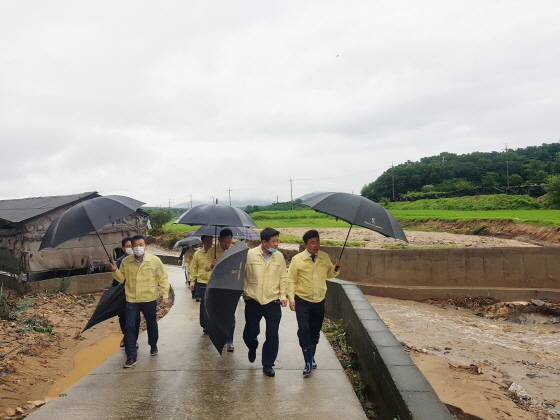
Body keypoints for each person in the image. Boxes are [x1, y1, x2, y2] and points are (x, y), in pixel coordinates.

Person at [287, 229, 342, 376]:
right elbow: (291, 280)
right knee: (303, 329)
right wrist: (291, 299)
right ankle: (307, 361)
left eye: (317, 242)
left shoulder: (324, 257)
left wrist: (336, 266)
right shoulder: (297, 259)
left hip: (319, 300)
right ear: (305, 245)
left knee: (315, 331)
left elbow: (330, 274)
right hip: (302, 299)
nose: (316, 245)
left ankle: (311, 358)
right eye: (312, 243)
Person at [110, 234, 170, 369]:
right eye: (135, 245)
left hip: (149, 299)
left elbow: (163, 279)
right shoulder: (126, 262)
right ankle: (131, 356)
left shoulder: (154, 261)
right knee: (130, 326)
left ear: (145, 246)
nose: (138, 248)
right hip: (132, 299)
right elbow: (121, 279)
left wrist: (165, 296)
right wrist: (115, 271)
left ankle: (153, 344)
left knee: (151, 323)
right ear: (131, 247)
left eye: (140, 245)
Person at [242, 228, 287, 377]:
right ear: (264, 242)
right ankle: (252, 344)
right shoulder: (250, 255)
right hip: (253, 300)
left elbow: (283, 277)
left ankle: (268, 364)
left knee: (272, 334)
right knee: (250, 332)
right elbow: (241, 275)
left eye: (277, 240)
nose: (277, 244)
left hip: (272, 301)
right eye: (274, 241)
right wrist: (244, 292)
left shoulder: (279, 257)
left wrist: (283, 296)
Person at [207, 228, 235, 351]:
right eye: (224, 242)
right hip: (216, 287)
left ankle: (230, 340)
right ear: (218, 240)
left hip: (230, 287)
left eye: (229, 241)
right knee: (217, 314)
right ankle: (220, 337)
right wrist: (211, 265)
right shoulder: (212, 251)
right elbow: (204, 269)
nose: (227, 244)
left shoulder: (234, 251)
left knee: (230, 314)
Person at [112, 237, 140, 349]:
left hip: (136, 294)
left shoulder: (140, 260)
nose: (131, 248)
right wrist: (113, 291)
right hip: (123, 294)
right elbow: (117, 280)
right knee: (123, 317)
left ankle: (133, 340)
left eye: (131, 246)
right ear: (123, 248)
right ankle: (126, 336)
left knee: (135, 318)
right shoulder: (120, 261)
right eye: (128, 246)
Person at [189, 235, 213, 332]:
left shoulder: (215, 253)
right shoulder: (198, 254)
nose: (209, 242)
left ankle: (212, 323)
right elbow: (193, 268)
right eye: (207, 240)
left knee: (212, 304)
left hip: (213, 281)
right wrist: (192, 282)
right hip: (201, 282)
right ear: (202, 242)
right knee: (204, 302)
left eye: (211, 240)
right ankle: (204, 324)